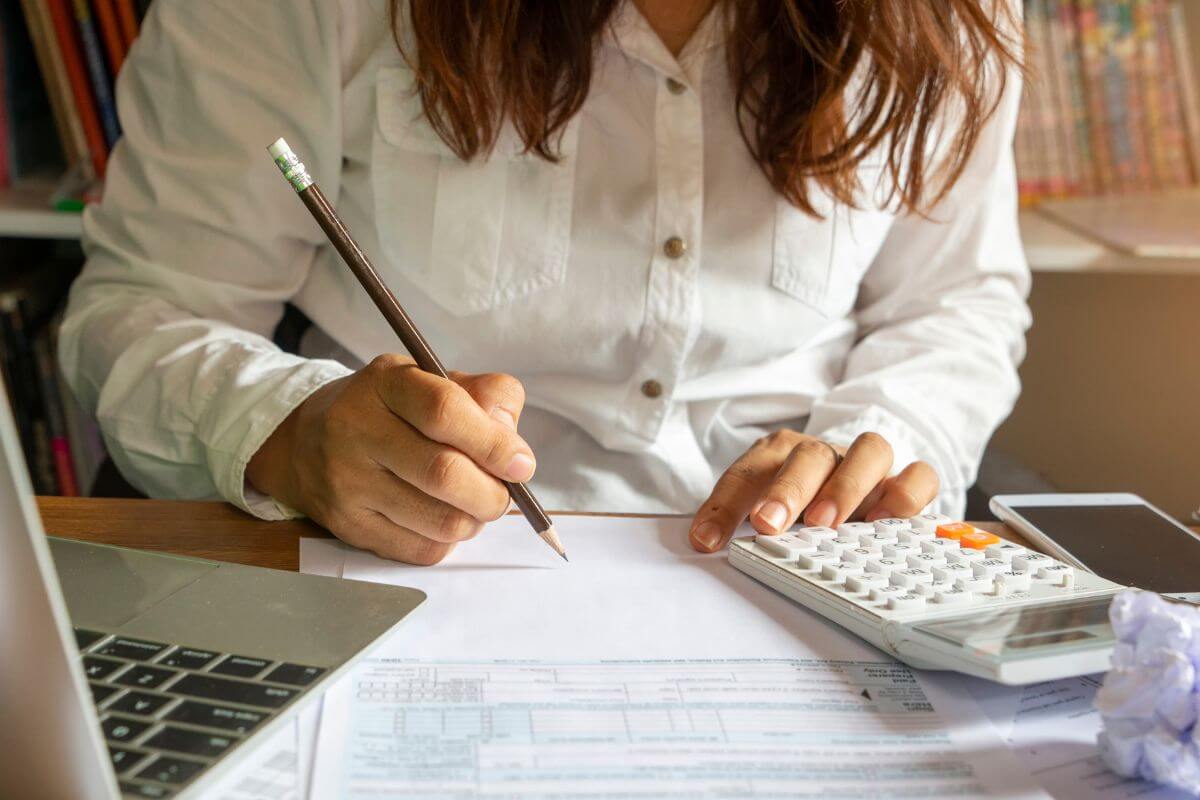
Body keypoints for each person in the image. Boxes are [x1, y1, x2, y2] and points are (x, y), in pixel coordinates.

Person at [60, 0, 1030, 565]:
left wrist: (880, 444)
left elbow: (954, 303)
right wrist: (285, 429)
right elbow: (145, 306)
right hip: (396, 565)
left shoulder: (952, 17)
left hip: (799, 570)